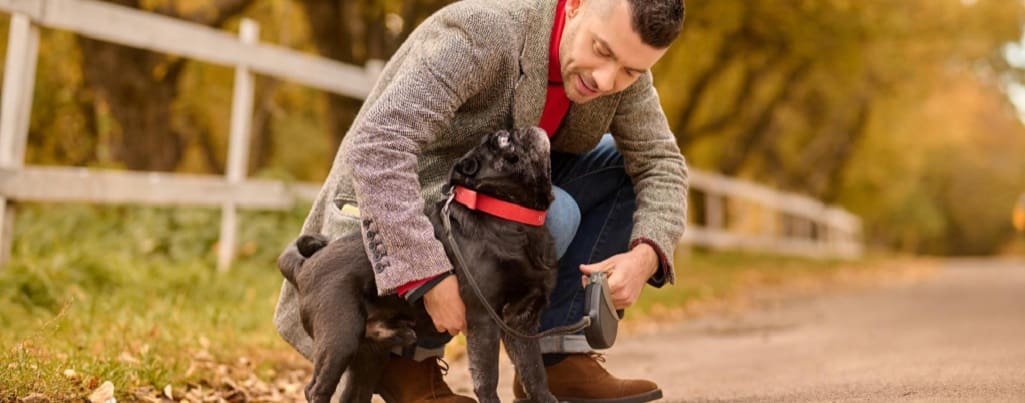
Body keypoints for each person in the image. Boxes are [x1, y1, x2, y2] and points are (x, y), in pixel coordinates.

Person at [274, 0, 688, 401]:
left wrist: (647, 253)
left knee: (621, 169)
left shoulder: (624, 72)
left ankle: (555, 355)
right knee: (551, 215)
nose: (605, 79)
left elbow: (662, 163)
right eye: (601, 50)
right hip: (406, 217)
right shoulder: (483, 32)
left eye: (630, 71)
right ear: (575, 4)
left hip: (492, 203)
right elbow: (380, 146)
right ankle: (407, 360)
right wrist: (425, 274)